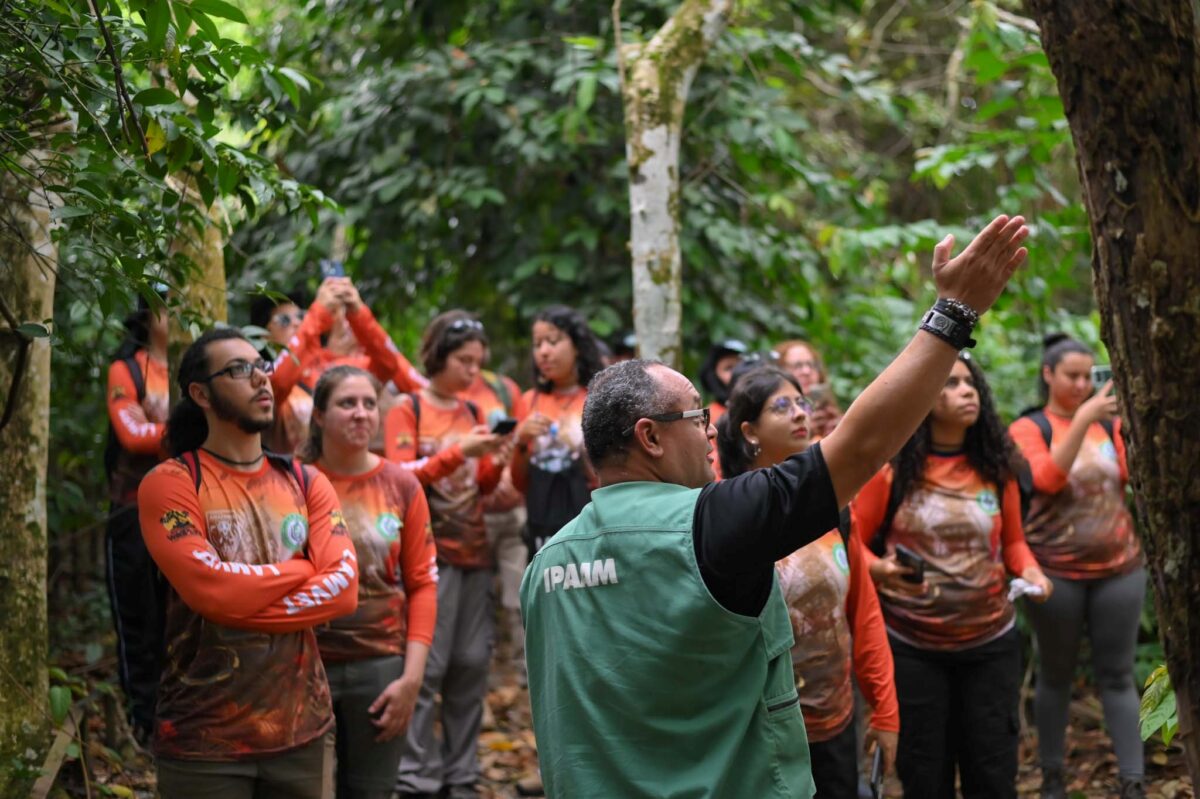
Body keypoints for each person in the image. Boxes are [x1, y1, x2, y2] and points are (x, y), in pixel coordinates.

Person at [520, 214, 1031, 798]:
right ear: (650, 438)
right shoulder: (711, 525)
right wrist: (953, 314)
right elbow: (860, 446)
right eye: (696, 417)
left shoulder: (545, 569)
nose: (711, 433)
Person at [137, 328, 360, 798]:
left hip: (303, 731)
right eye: (239, 370)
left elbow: (343, 590)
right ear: (200, 393)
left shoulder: (306, 480)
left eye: (262, 365)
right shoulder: (172, 482)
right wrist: (301, 571)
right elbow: (209, 592)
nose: (261, 378)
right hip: (203, 739)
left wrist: (241, 600)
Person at [853, 353, 1052, 798]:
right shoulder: (891, 470)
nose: (967, 392)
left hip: (989, 645)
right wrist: (882, 569)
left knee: (993, 773)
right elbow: (854, 546)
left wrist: (1033, 572)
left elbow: (1015, 543)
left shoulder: (996, 468)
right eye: (951, 384)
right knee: (925, 775)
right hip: (912, 647)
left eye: (970, 383)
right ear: (922, 396)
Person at [717, 366, 900, 797]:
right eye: (782, 406)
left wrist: (885, 710)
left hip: (834, 723)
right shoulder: (725, 517)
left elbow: (863, 614)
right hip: (755, 733)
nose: (800, 413)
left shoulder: (834, 509)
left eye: (803, 402)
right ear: (750, 432)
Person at [1009, 334, 1144, 799]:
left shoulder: (1108, 428)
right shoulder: (1029, 428)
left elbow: (1133, 475)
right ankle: (1052, 780)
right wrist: (1082, 418)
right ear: (1048, 374)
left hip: (1120, 569)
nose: (1083, 384)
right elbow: (1046, 479)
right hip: (1055, 574)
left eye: (1089, 376)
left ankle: (1133, 780)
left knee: (1118, 675)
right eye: (1072, 376)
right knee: (1056, 674)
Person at [299, 366, 438, 799]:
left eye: (368, 404)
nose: (361, 414)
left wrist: (411, 679)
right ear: (319, 416)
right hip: (303, 664)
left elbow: (422, 583)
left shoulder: (402, 484)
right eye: (346, 403)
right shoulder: (292, 482)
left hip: (381, 666)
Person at [385, 311, 506, 799]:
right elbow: (397, 477)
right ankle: (417, 775)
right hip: (426, 556)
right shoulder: (407, 408)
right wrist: (459, 452)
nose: (472, 372)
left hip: (474, 550)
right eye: (463, 360)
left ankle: (461, 774)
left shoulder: (473, 413)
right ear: (438, 355)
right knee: (427, 667)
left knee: (471, 663)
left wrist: (496, 459)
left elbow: (479, 487)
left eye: (478, 363)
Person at [104, 293, 170, 742]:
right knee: (138, 616)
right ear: (148, 319)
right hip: (133, 510)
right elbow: (131, 433)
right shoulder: (126, 369)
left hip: (186, 510)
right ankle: (142, 721)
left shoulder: (194, 365)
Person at [269, 276, 426, 453]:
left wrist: (358, 312)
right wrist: (316, 315)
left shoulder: (352, 367)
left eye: (300, 316)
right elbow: (277, 383)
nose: (297, 322)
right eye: (283, 320)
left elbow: (389, 364)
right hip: (303, 476)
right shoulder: (272, 375)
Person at [511, 305, 604, 556]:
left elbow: (609, 476)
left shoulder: (597, 397)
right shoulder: (528, 401)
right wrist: (521, 442)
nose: (543, 352)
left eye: (552, 341)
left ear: (577, 345)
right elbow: (519, 483)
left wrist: (577, 446)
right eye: (537, 344)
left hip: (591, 521)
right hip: (543, 524)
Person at [460, 353, 530, 664]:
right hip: (471, 514)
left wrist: (508, 476)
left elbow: (520, 438)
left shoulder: (502, 389)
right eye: (462, 356)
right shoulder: (450, 396)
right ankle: (481, 675)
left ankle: (523, 673)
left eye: (472, 354)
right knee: (476, 598)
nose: (469, 365)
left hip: (511, 508)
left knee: (518, 594)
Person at [774, 339, 842, 438]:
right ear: (779, 371)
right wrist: (803, 431)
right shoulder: (773, 411)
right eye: (797, 366)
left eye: (811, 365)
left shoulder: (827, 409)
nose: (806, 371)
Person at [698, 338, 748, 424]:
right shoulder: (709, 417)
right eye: (728, 368)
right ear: (714, 376)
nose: (737, 372)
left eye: (741, 365)